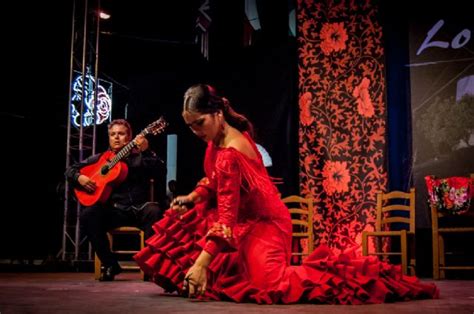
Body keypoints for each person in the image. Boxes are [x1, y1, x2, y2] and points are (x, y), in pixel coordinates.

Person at [134, 84, 439, 304]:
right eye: (190, 127)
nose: (196, 132)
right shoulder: (217, 140)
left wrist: (201, 264)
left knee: (272, 286)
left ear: (217, 113)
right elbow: (215, 182)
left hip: (266, 223)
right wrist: (193, 196)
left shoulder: (230, 149)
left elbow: (227, 216)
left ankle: (358, 278)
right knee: (187, 229)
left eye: (199, 123)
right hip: (242, 219)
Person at [65, 119, 165, 281]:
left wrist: (146, 151)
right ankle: (110, 264)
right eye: (113, 134)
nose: (116, 137)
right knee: (87, 215)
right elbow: (70, 171)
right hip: (115, 210)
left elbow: (160, 170)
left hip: (139, 209)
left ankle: (149, 265)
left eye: (121, 134)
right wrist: (79, 177)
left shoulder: (141, 157)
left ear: (130, 137)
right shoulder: (100, 158)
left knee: (154, 210)